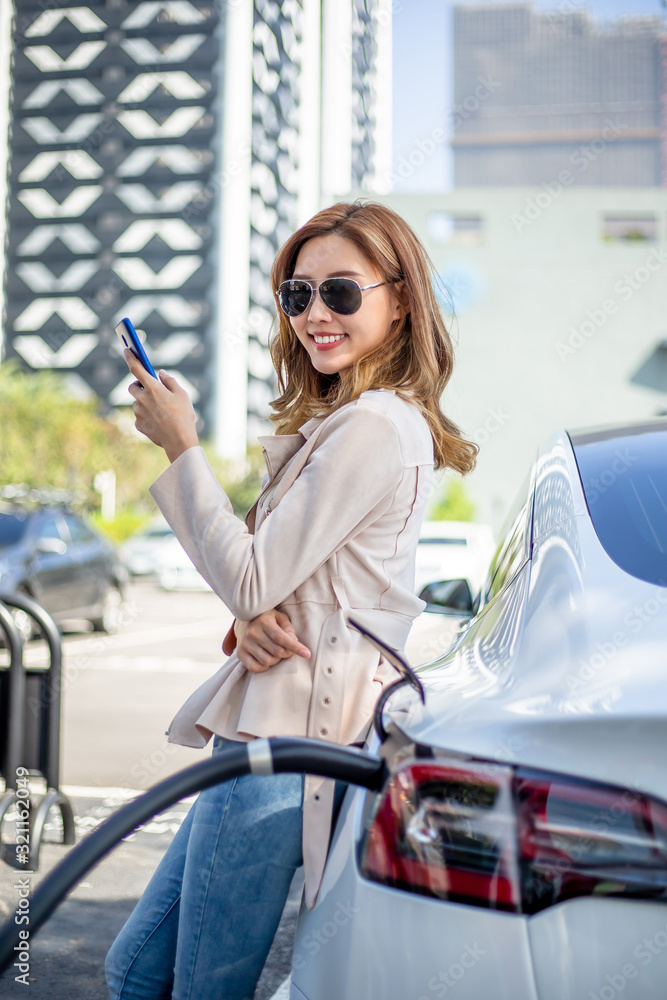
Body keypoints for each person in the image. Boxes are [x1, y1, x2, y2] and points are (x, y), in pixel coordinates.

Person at [105, 199, 478, 1000]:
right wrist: (249, 613)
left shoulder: (374, 426)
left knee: (197, 986)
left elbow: (250, 575)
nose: (316, 314)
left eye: (341, 293)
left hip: (285, 740)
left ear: (400, 297)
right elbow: (266, 580)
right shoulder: (356, 419)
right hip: (270, 730)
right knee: (134, 970)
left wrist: (180, 444)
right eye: (296, 295)